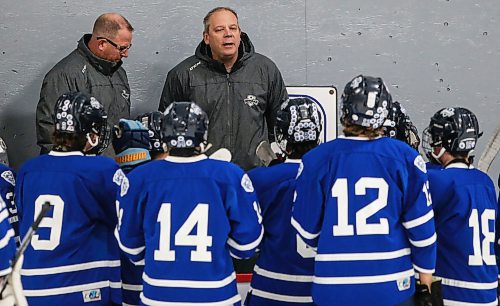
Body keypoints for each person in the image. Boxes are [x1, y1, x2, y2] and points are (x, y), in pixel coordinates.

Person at [291, 75, 437, 306]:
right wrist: (425, 283)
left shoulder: (316, 159)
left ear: (345, 109)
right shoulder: (405, 157)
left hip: (333, 288)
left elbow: (307, 231)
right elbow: (423, 231)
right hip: (392, 287)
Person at [115, 101, 263, 305]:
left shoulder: (140, 178)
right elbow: (246, 244)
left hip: (159, 296)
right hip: (216, 296)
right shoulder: (229, 175)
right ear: (202, 134)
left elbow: (132, 248)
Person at [16, 92, 121, 305]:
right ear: (87, 132)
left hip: (30, 288)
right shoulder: (101, 169)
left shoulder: (28, 169)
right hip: (80, 286)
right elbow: (124, 222)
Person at [159, 7, 288, 171]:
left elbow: (280, 126)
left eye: (233, 28)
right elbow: (166, 132)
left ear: (239, 33)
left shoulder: (266, 70)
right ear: (206, 37)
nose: (228, 34)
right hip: (204, 178)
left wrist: (268, 166)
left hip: (254, 176)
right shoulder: (183, 75)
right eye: (219, 30)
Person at [246, 97, 322, 306]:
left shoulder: (260, 179)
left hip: (272, 290)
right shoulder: (336, 176)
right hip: (323, 290)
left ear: (281, 135)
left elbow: (247, 241)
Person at [426, 107, 499, 305]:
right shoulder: (485, 182)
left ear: (445, 142)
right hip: (489, 292)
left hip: (455, 291)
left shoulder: (435, 179)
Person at [36, 13, 133, 155]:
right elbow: (49, 132)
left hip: (112, 169)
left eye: (128, 47)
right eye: (122, 48)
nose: (126, 54)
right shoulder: (63, 76)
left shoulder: (120, 73)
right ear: (102, 44)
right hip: (80, 173)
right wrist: (78, 168)